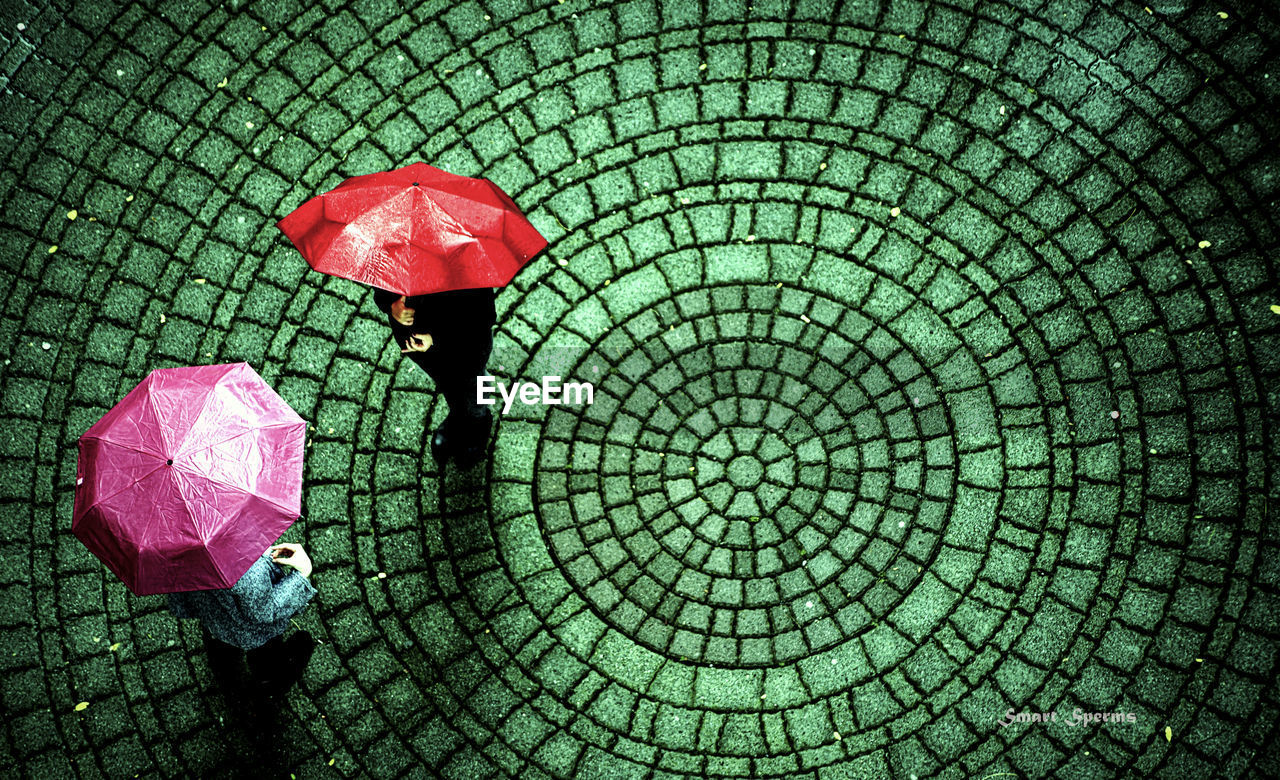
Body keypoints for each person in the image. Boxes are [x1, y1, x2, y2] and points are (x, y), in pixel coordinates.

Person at [372, 286, 497, 465]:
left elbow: (482, 316)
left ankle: (478, 424)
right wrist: (391, 305)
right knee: (449, 384)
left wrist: (437, 337)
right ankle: (459, 415)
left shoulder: (468, 267)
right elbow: (380, 277)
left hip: (465, 346)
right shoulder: (394, 256)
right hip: (424, 350)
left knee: (472, 385)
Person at [167, 543, 317, 691]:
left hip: (213, 615)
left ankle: (225, 673)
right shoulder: (243, 564)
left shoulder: (172, 543)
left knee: (222, 649)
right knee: (267, 658)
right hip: (252, 631)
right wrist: (302, 574)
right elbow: (264, 611)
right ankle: (271, 681)